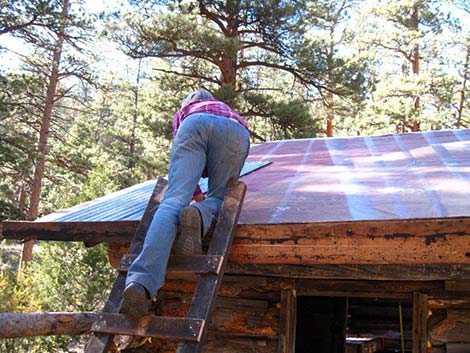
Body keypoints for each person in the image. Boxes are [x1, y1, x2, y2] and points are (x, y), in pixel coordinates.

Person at [120, 89, 250, 319]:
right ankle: (200, 216)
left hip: (195, 125)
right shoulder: (224, 108)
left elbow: (183, 170)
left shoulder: (186, 112)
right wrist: (201, 202)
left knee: (173, 202)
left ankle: (140, 283)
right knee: (219, 197)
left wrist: (192, 193)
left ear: (189, 103)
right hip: (236, 130)